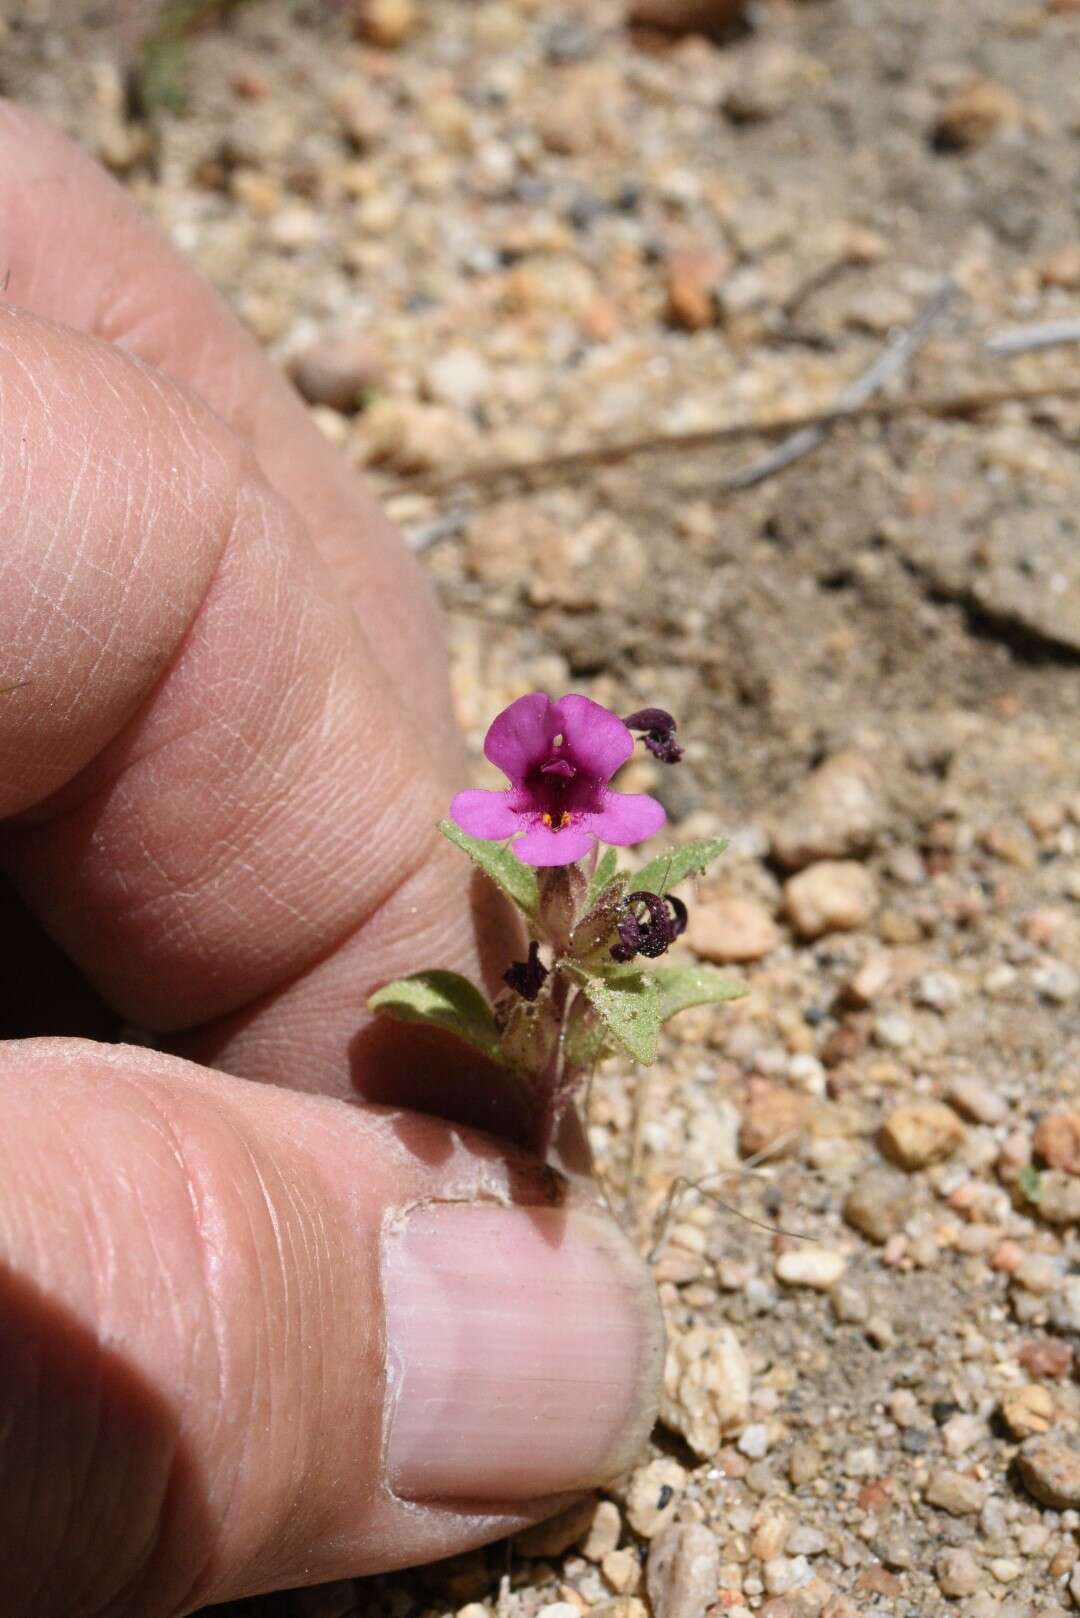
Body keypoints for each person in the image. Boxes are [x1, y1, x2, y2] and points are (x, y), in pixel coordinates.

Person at [0, 103, 661, 1617]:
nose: (556, 786)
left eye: (575, 790)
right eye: (549, 786)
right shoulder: (525, 809)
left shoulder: (571, 814)